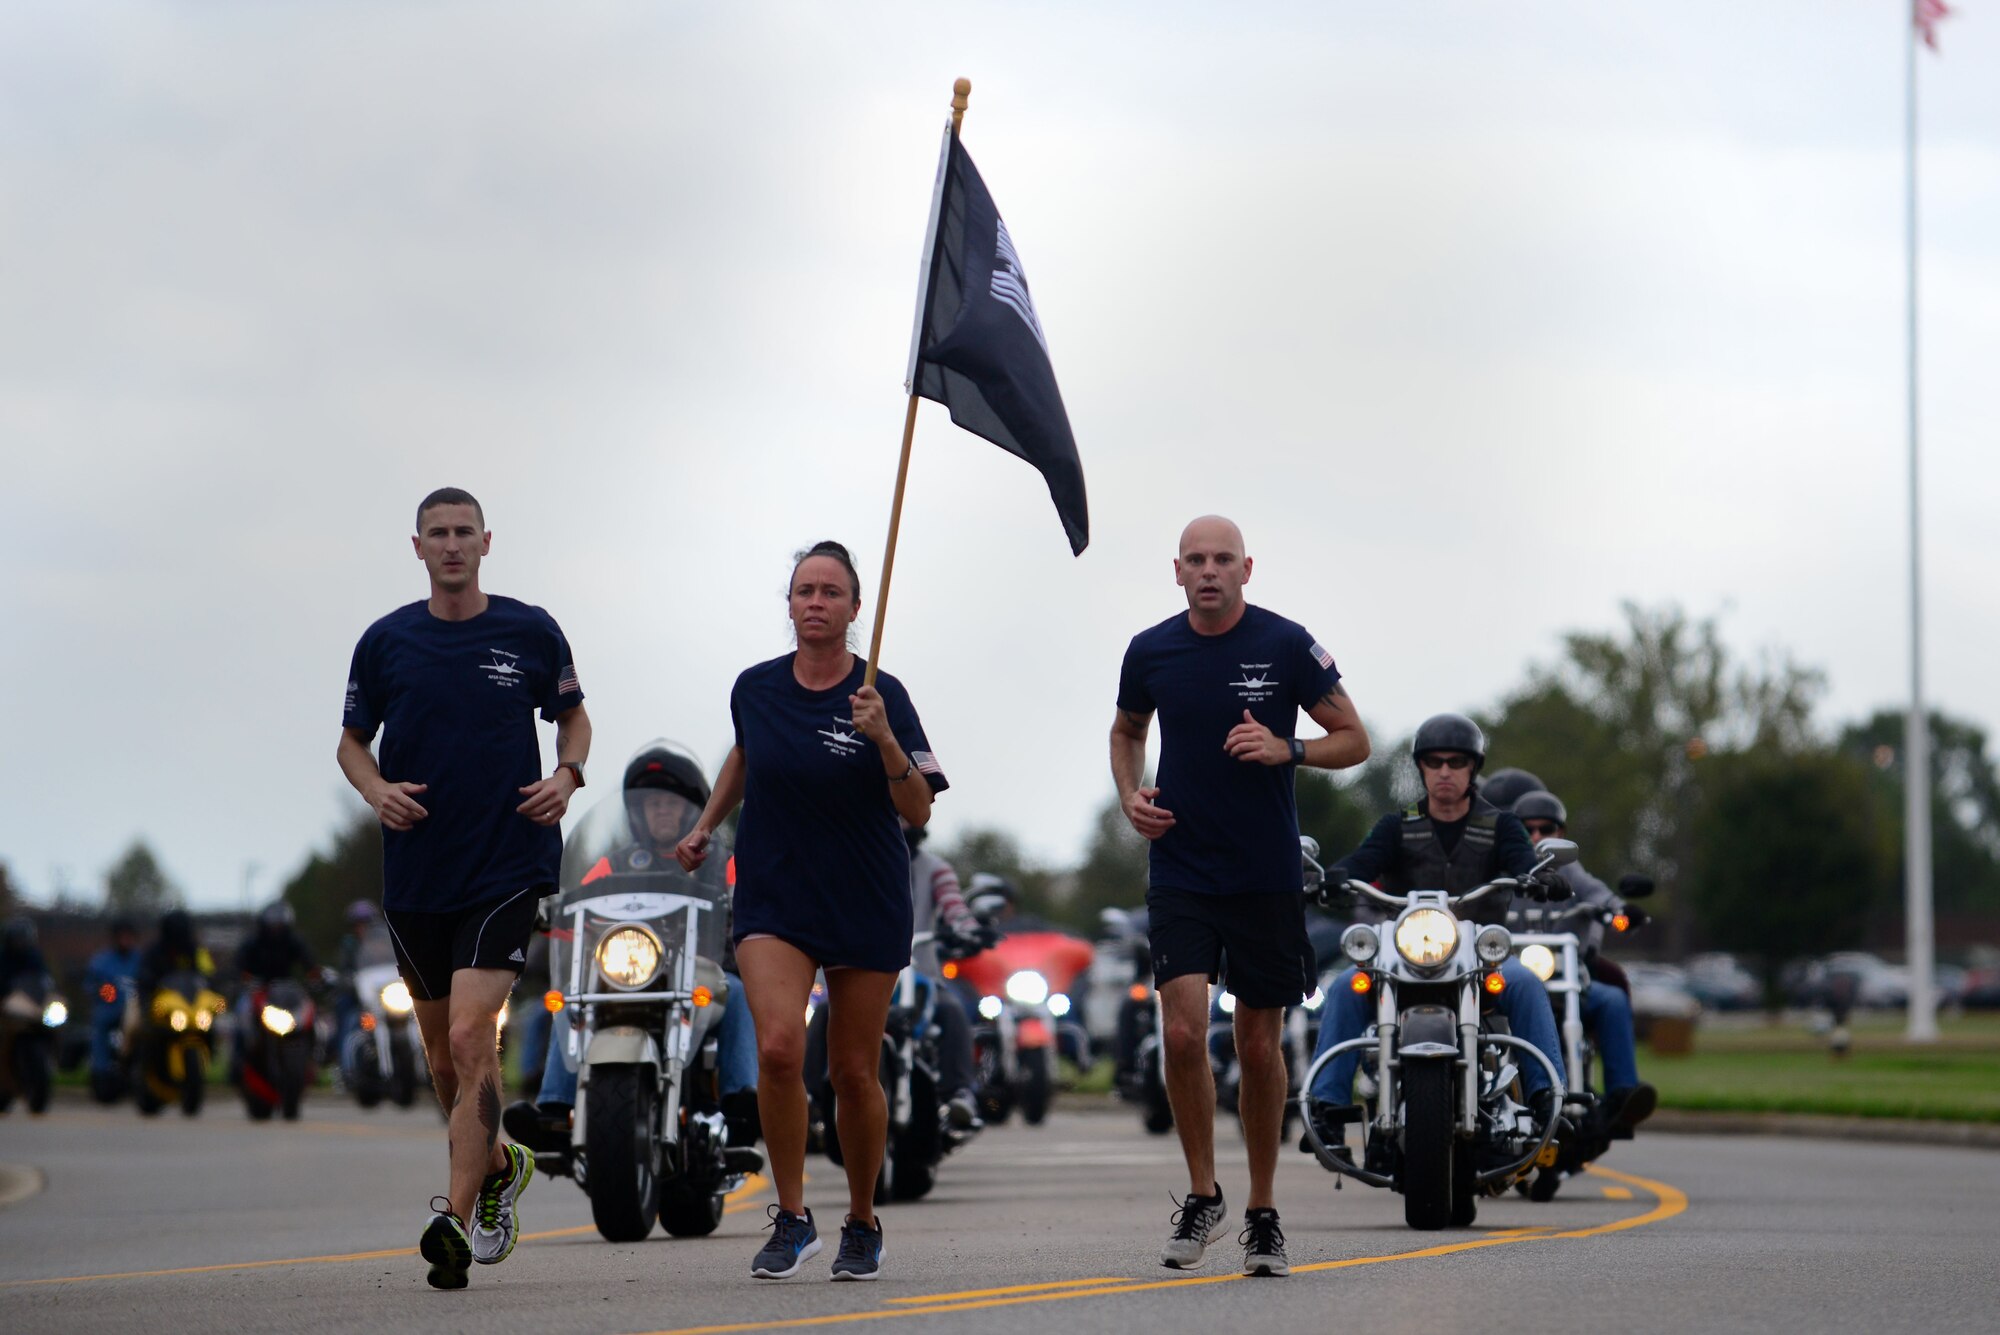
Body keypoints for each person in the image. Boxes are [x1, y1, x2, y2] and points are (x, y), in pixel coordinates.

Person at [338, 486, 591, 1290]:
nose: (452, 545)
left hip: (507, 862)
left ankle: (451, 1218)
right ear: (417, 547)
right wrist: (375, 790)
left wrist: (568, 773)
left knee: (474, 1038)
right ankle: (499, 1164)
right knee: (445, 1062)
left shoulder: (529, 630)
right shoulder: (385, 642)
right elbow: (350, 743)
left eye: (464, 533)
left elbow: (574, 717)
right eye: (437, 534)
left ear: (487, 542)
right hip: (418, 874)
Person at [675, 540, 947, 1283]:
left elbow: (916, 807)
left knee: (853, 1072)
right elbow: (743, 754)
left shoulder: (881, 693)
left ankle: (862, 1217)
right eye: (804, 590)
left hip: (864, 894)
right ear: (789, 603)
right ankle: (793, 1217)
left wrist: (884, 735)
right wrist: (704, 825)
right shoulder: (755, 687)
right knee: (778, 1050)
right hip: (774, 891)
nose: (816, 601)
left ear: (857, 608)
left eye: (831, 591)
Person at [1111, 515, 1370, 1277]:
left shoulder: (1286, 643)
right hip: (1182, 870)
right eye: (1196, 559)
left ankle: (1261, 1210)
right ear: (1178, 570)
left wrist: (1287, 746)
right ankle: (1202, 1194)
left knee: (1259, 1046)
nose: (1209, 570)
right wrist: (1131, 797)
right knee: (1185, 1035)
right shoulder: (1151, 648)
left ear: (1247, 568)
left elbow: (1354, 738)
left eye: (1223, 558)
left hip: (1265, 874)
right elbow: (1126, 730)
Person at [1304, 714, 1570, 1139]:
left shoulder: (1501, 825)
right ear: (1422, 768)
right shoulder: (1397, 825)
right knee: (1342, 988)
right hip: (1402, 957)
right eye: (1434, 762)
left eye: (1456, 762)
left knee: (1526, 983)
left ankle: (1549, 1099)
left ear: (1473, 769)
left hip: (1480, 960)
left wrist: (1541, 877)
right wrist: (1331, 877)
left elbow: (1524, 862)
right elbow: (1360, 863)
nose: (1445, 771)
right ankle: (1327, 1107)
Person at [504, 740, 760, 1152]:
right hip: (626, 973)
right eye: (652, 803)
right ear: (637, 811)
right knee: (570, 997)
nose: (661, 810)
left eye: (671, 802)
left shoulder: (720, 860)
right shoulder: (614, 864)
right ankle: (554, 1108)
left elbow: (751, 907)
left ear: (691, 807)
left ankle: (743, 1101)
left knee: (741, 991)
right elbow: (577, 912)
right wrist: (550, 912)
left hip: (703, 969)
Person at [1510, 789, 1657, 1136]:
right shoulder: (1503, 872)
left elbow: (1600, 896)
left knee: (1613, 1000)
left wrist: (1620, 913)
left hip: (1570, 981)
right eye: (1526, 829)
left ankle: (1622, 1097)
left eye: (1545, 829)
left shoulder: (1570, 870)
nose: (1535, 837)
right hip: (1512, 985)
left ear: (1560, 835)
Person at [231, 901, 318, 1075]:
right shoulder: (254, 942)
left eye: (279, 924)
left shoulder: (293, 941)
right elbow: (239, 964)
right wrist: (244, 977)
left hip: (288, 991)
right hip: (259, 990)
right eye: (272, 924)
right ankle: (237, 1062)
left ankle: (315, 1056)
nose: (276, 928)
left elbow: (308, 962)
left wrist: (314, 975)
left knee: (311, 1013)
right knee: (242, 1015)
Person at [85, 917, 143, 1085]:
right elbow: (92, 985)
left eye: (129, 936)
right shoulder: (102, 961)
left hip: (136, 1010)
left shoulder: (140, 960)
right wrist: (104, 992)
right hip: (111, 1008)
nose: (126, 940)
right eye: (122, 936)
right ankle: (100, 1070)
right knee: (100, 1026)